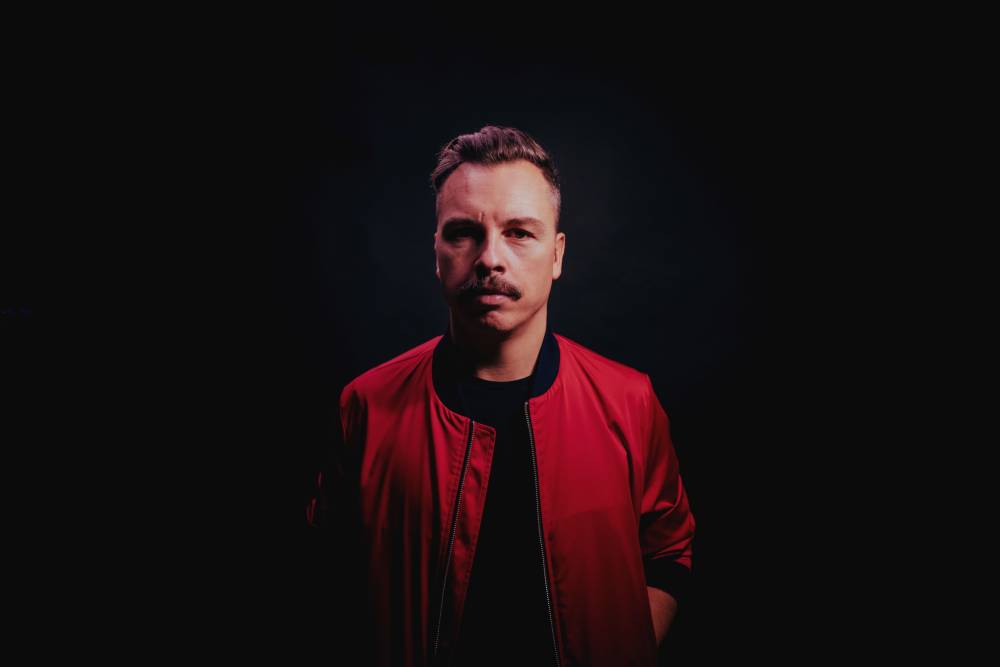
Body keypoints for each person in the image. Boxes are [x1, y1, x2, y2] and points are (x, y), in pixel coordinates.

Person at [306, 125, 696, 666]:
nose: (490, 258)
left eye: (519, 232)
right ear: (437, 253)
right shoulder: (367, 407)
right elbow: (328, 579)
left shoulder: (630, 401)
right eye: (464, 232)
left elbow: (669, 552)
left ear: (556, 255)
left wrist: (626, 647)